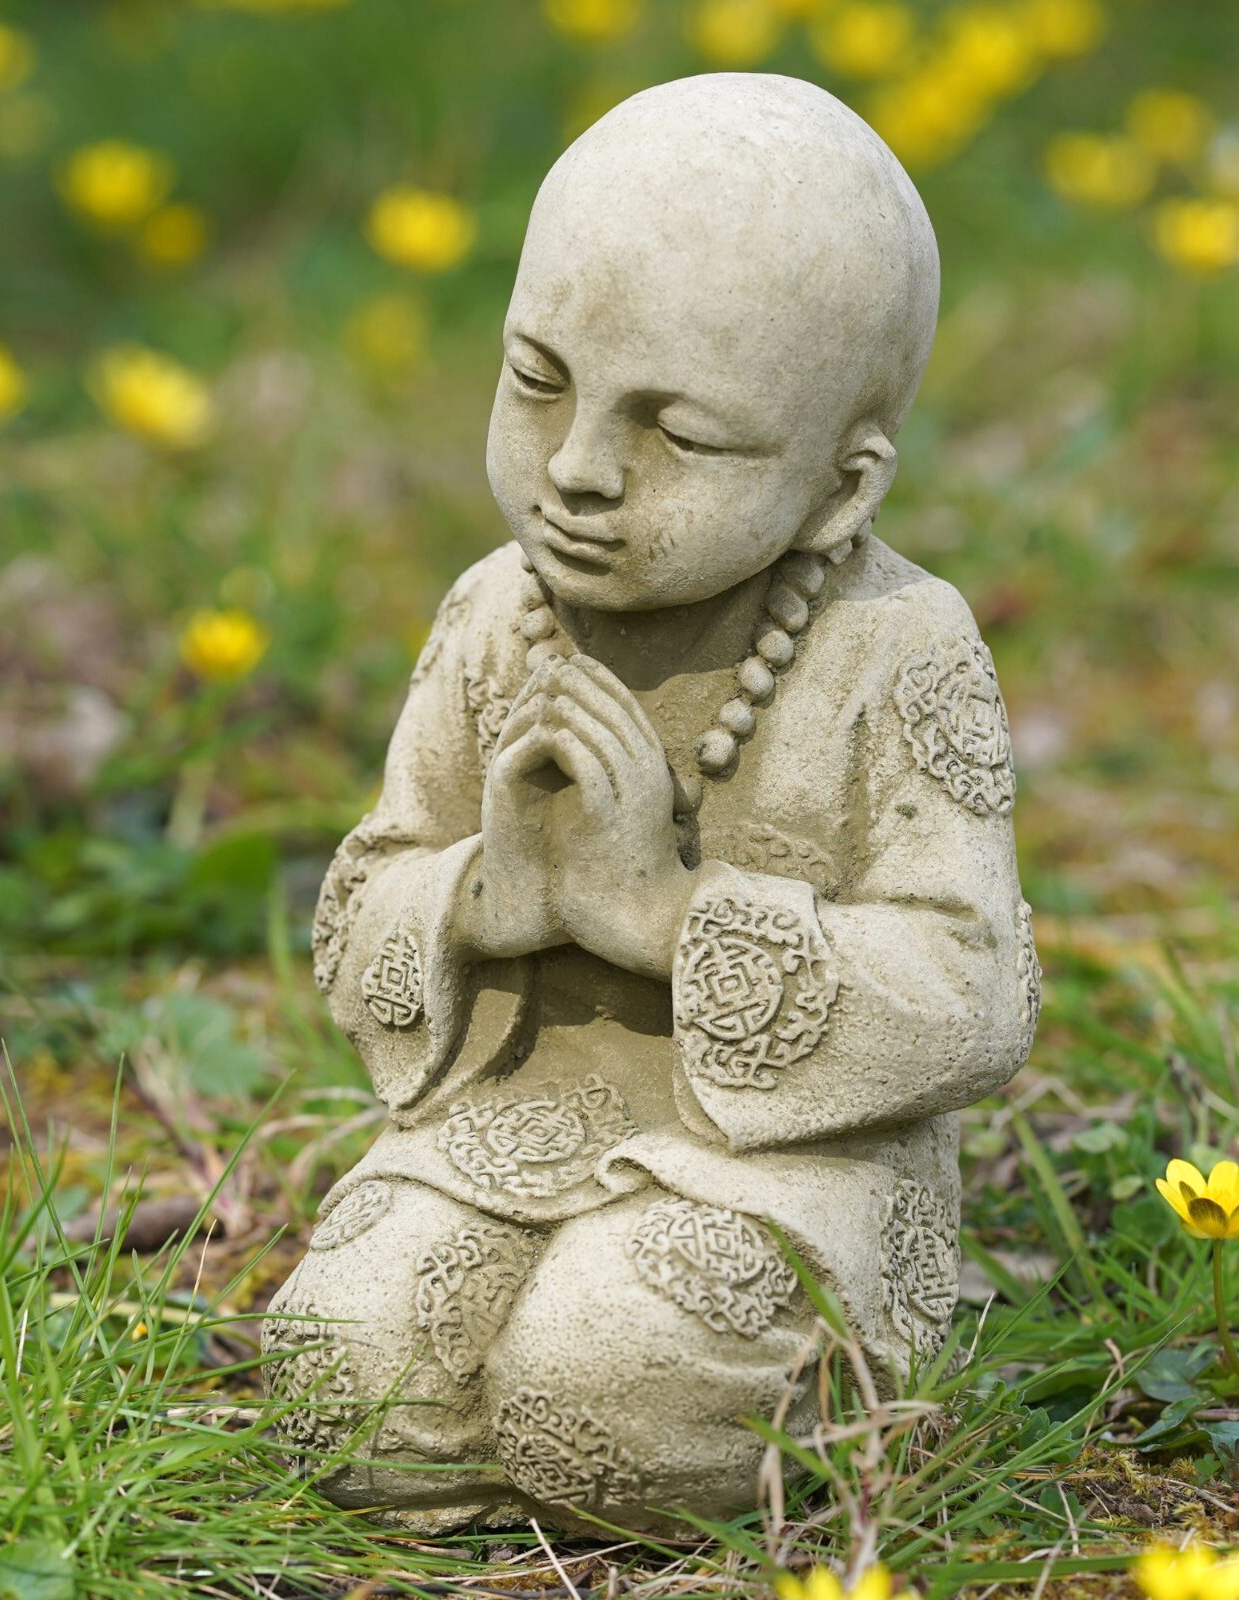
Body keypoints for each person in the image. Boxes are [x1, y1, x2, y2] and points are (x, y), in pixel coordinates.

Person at [266, 71, 1039, 1535]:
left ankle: (847, 1388)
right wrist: (480, 900)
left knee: (601, 1384)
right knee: (337, 1374)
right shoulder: (495, 613)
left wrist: (666, 916)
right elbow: (366, 888)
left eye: (677, 435)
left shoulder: (897, 647)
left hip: (786, 1170)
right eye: (536, 380)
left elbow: (975, 987)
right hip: (506, 1126)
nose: (576, 470)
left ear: (841, 489)